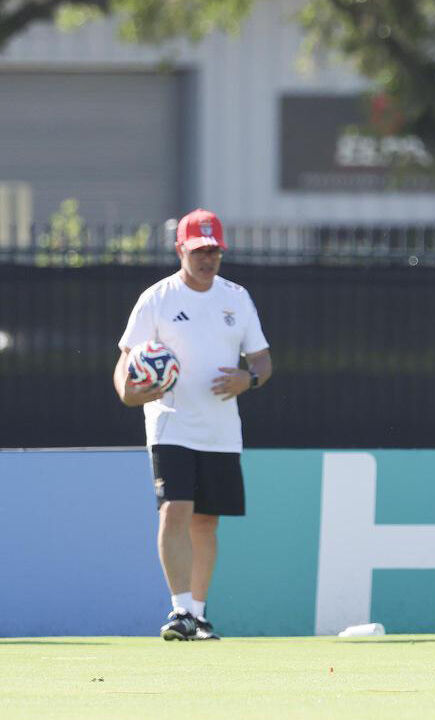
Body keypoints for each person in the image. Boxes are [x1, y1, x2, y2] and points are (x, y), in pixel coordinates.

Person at [113, 208, 272, 641]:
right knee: (175, 509)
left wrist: (250, 378)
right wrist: (129, 393)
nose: (208, 258)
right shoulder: (157, 299)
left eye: (214, 250)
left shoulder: (236, 297)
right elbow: (127, 360)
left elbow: (261, 358)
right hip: (171, 423)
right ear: (180, 248)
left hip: (221, 429)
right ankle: (179, 610)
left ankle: (198, 616)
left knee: (206, 522)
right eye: (200, 250)